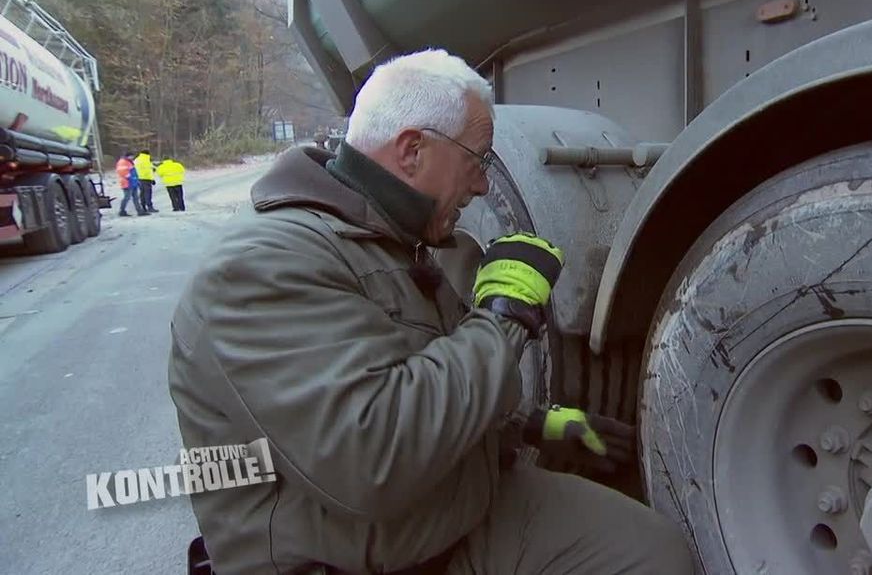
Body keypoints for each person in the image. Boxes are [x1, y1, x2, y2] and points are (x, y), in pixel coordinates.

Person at [168, 49, 692, 575]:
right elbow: (373, 459)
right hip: (355, 558)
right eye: (478, 161)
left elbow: (408, 374)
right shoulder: (263, 267)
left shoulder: (384, 237)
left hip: (448, 513)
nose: (483, 185)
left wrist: (530, 426)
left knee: (652, 552)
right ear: (413, 150)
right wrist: (505, 315)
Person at [115, 151, 147, 217]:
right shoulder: (123, 162)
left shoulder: (128, 162)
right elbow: (122, 172)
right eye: (131, 156)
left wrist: (136, 180)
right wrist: (131, 178)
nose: (132, 157)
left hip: (132, 182)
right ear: (128, 156)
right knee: (127, 197)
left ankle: (139, 211)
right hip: (127, 183)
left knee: (135, 197)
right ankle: (122, 210)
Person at [134, 148, 158, 213]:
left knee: (142, 193)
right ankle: (150, 207)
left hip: (138, 179)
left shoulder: (136, 160)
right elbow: (149, 171)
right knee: (148, 193)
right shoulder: (146, 160)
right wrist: (152, 179)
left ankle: (143, 207)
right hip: (146, 179)